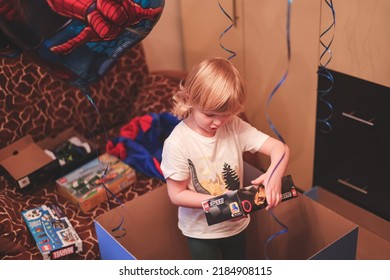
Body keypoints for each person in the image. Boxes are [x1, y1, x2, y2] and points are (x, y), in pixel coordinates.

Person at [161, 57, 290, 260]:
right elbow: (176, 194)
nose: (218, 122)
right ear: (190, 100)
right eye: (210, 114)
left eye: (226, 114)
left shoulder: (234, 126)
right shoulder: (178, 143)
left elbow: (279, 148)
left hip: (235, 225)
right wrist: (222, 204)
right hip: (199, 231)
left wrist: (274, 174)